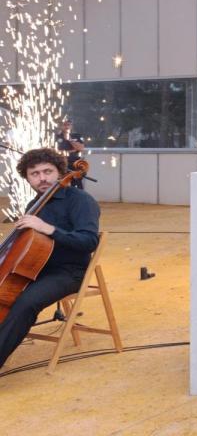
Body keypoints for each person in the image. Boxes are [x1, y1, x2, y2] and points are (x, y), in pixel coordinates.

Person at [0, 148, 101, 368]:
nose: (42, 178)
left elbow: (89, 241)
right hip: (34, 269)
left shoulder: (81, 201)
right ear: (27, 177)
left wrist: (47, 228)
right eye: (34, 173)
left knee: (26, 303)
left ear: (59, 171)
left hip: (69, 271)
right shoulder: (34, 205)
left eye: (47, 171)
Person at [56, 119, 86, 189]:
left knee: (76, 183)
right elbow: (53, 150)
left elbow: (80, 148)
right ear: (61, 126)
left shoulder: (76, 136)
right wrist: (71, 150)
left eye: (68, 125)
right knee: (61, 184)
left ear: (71, 126)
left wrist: (70, 140)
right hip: (60, 163)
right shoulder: (57, 136)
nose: (66, 127)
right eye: (64, 124)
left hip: (74, 163)